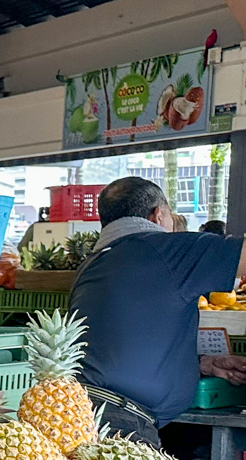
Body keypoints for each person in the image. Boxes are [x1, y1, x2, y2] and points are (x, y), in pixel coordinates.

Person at [69, 176, 246, 445]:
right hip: (122, 424)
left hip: (80, 413)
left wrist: (202, 363)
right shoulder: (165, 249)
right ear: (159, 215)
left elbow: (127, 336)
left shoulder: (93, 263)